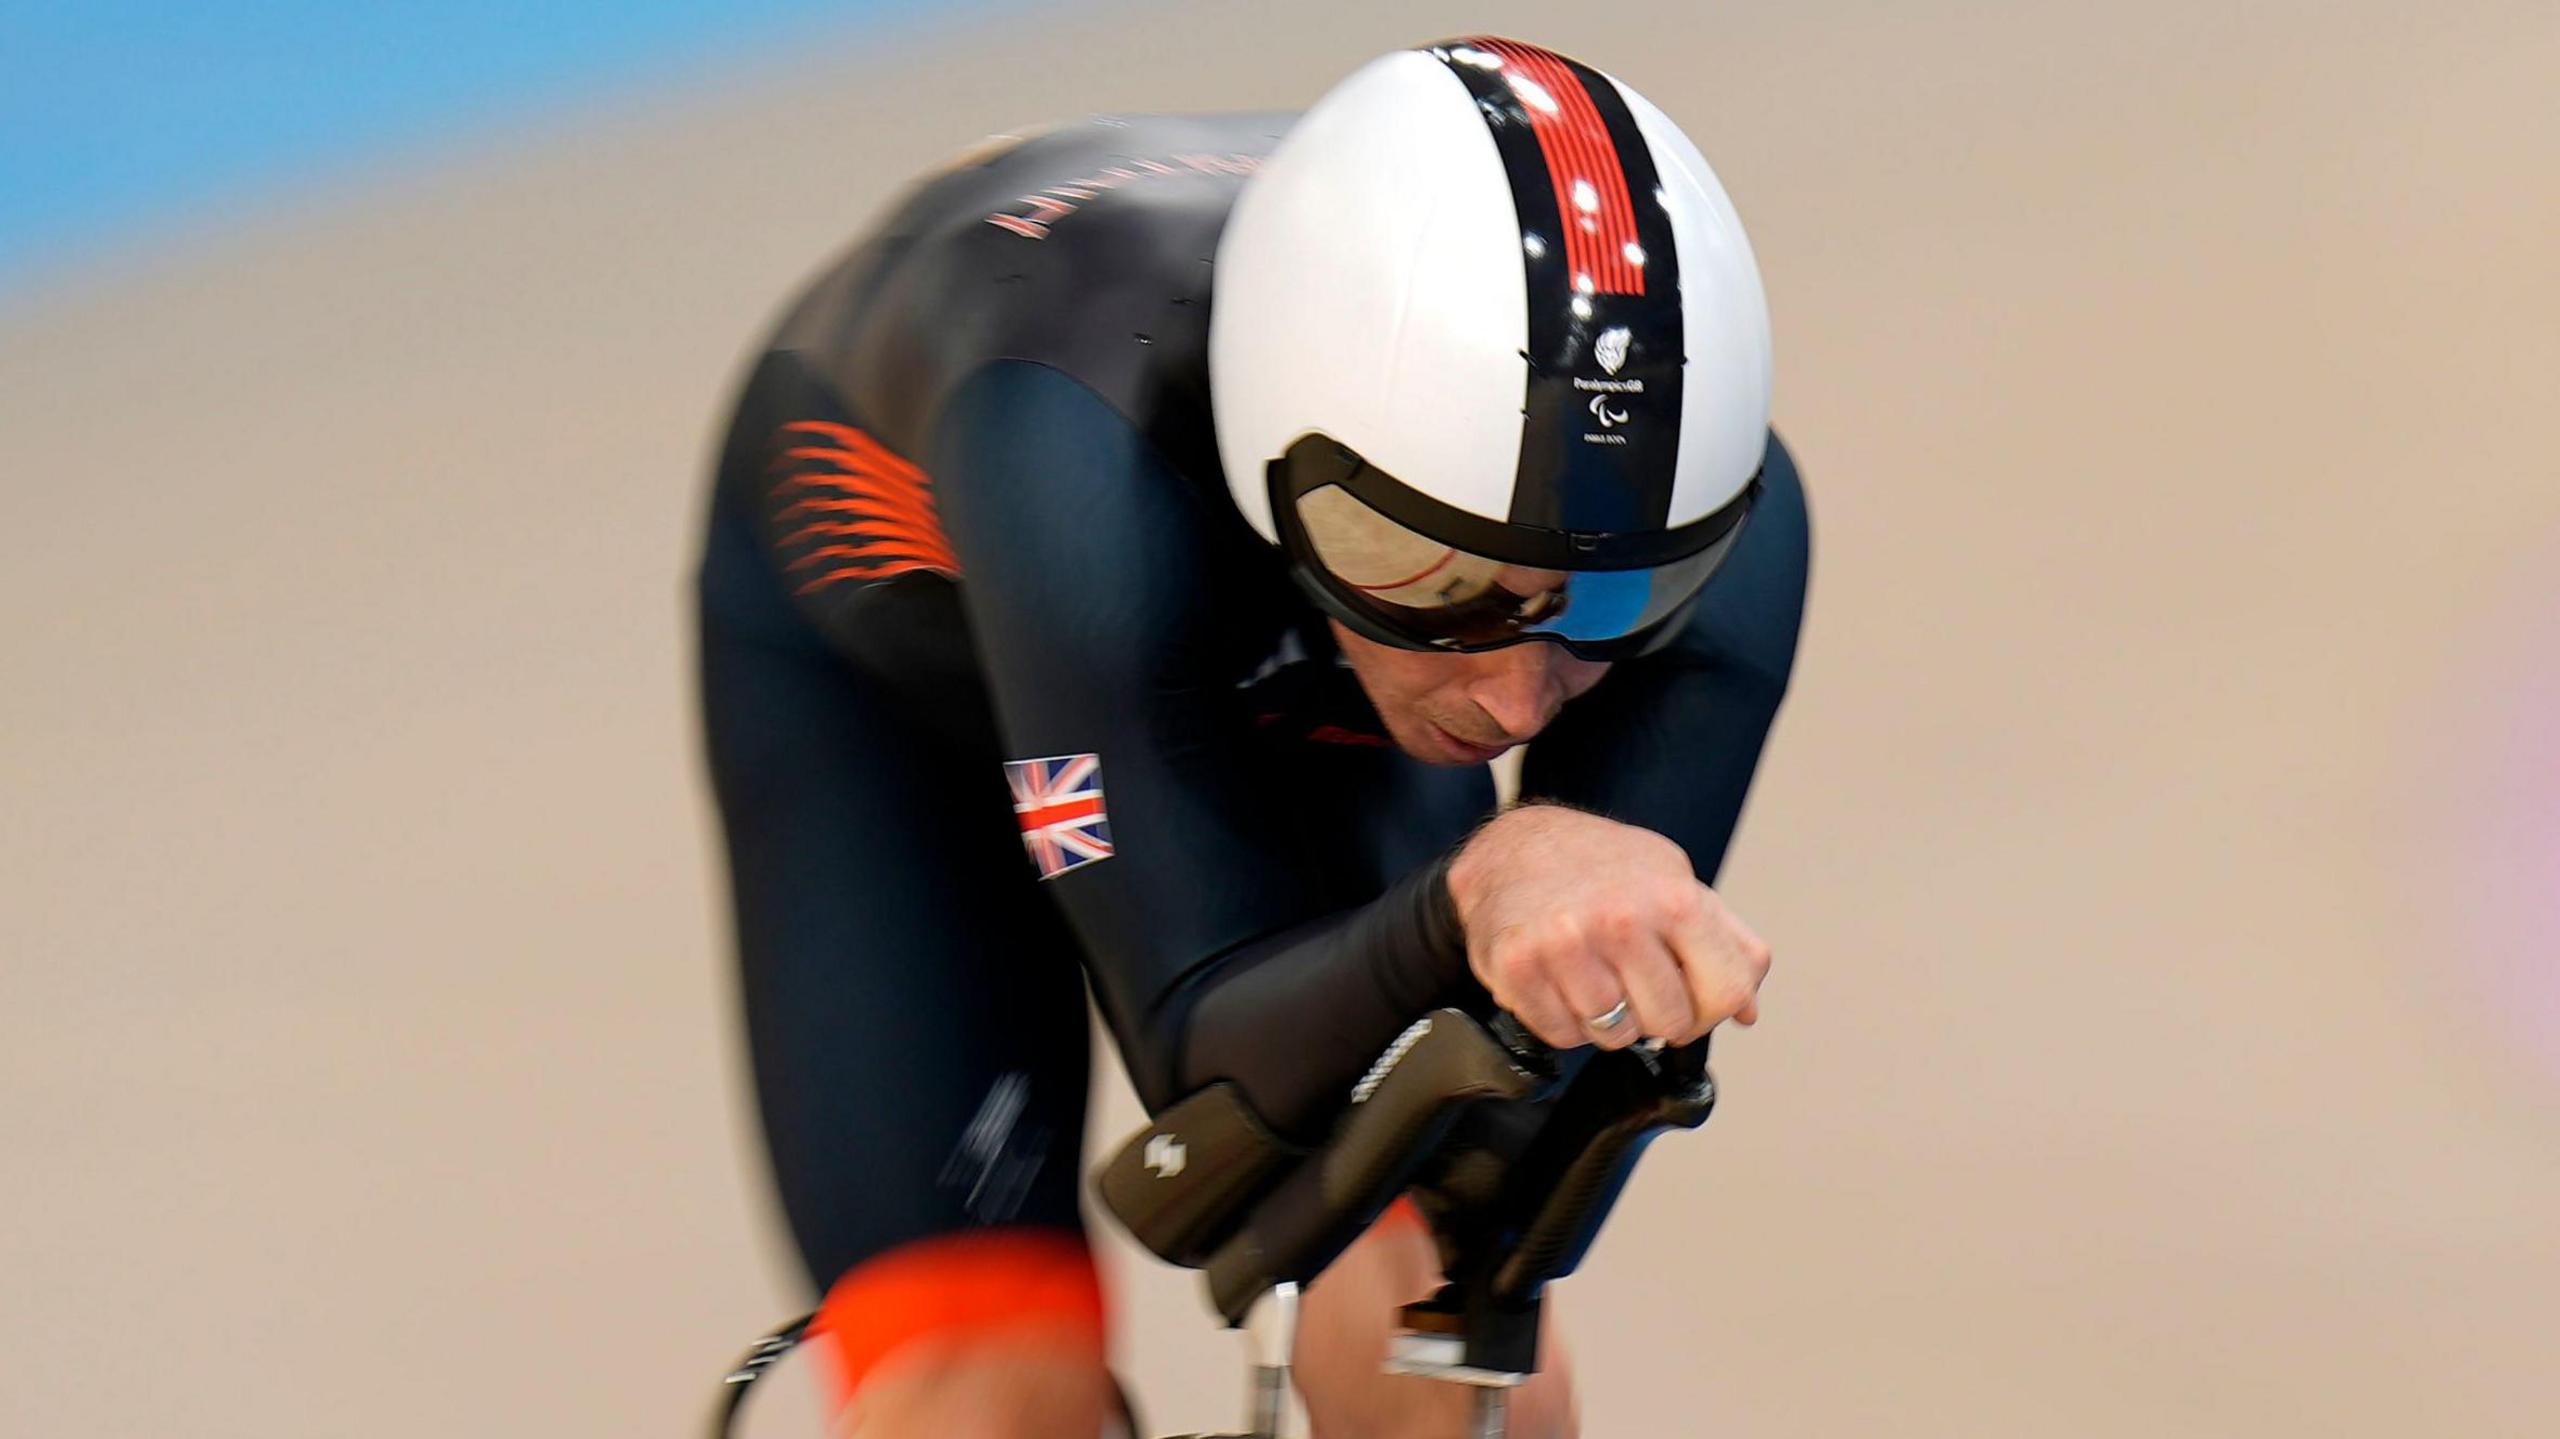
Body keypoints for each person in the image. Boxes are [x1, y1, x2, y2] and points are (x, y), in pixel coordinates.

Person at [696, 36, 1808, 1439]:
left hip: (1284, 658)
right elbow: (1209, 1129)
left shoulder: (1732, 536)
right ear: (1277, 454)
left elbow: (1507, 1173)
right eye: (1443, 584)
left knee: (1451, 1355)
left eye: (1615, 602)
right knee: (985, 1389)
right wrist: (1473, 894)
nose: (1521, 703)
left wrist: (1504, 1051)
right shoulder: (1070, 444)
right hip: (891, 695)